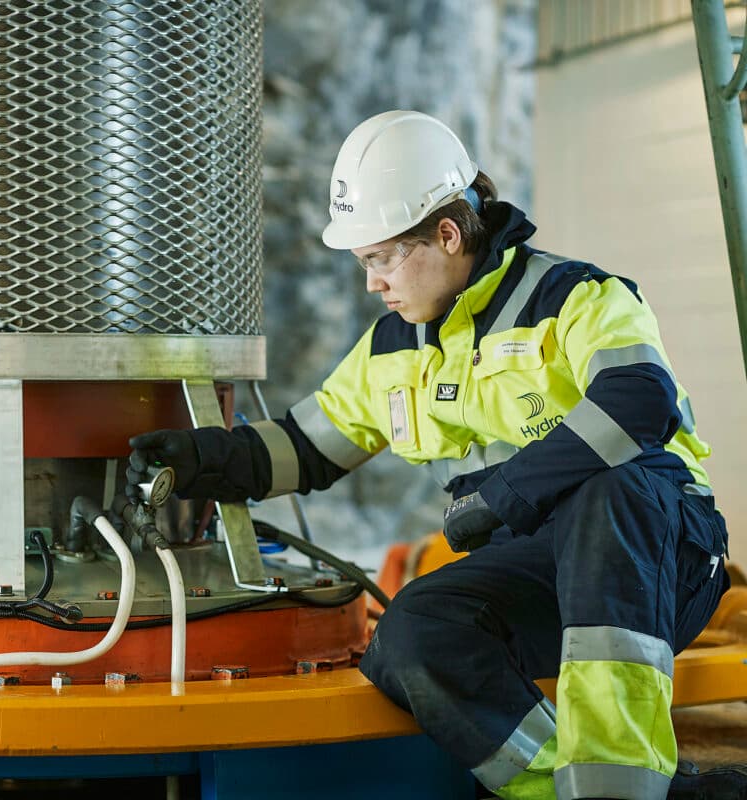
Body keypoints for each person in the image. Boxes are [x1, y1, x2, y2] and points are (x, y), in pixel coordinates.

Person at [126, 110, 739, 800]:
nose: (372, 283)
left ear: (447, 234)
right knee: (413, 634)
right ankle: (573, 789)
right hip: (543, 572)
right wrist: (199, 459)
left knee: (609, 491)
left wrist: (505, 494)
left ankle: (616, 792)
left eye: (382, 258)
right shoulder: (394, 347)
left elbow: (639, 401)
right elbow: (304, 448)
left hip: (661, 560)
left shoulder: (577, 298)